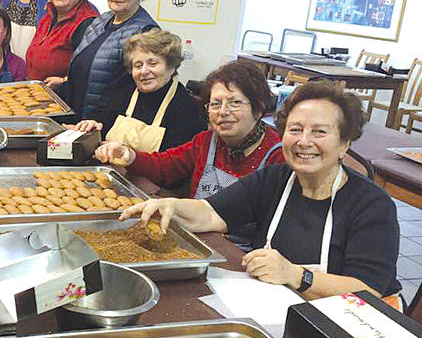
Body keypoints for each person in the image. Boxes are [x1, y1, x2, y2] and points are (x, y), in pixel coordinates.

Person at [121, 81, 401, 301]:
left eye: (319, 132)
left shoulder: (371, 204)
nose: (304, 141)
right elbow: (209, 213)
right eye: (295, 129)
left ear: (344, 144)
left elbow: (367, 291)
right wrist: (171, 206)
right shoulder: (274, 179)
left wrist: (296, 275)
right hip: (276, 307)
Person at [95, 60, 284, 199]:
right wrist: (129, 155)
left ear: (258, 108)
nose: (223, 112)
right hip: (202, 235)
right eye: (215, 104)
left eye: (235, 103)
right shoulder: (207, 141)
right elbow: (165, 165)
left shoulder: (277, 156)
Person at [51, 0, 158, 120]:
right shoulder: (101, 21)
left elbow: (128, 94)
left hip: (104, 131)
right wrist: (65, 84)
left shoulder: (146, 33)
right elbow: (92, 75)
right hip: (78, 124)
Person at [75, 29, 206, 153]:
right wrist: (92, 126)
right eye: (138, 65)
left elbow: (178, 164)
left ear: (171, 67)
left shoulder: (188, 108)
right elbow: (101, 124)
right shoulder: (124, 93)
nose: (144, 71)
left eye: (153, 64)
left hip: (153, 177)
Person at [25, 0, 98, 82]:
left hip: (63, 99)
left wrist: (64, 81)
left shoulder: (87, 23)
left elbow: (88, 74)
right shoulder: (50, 13)